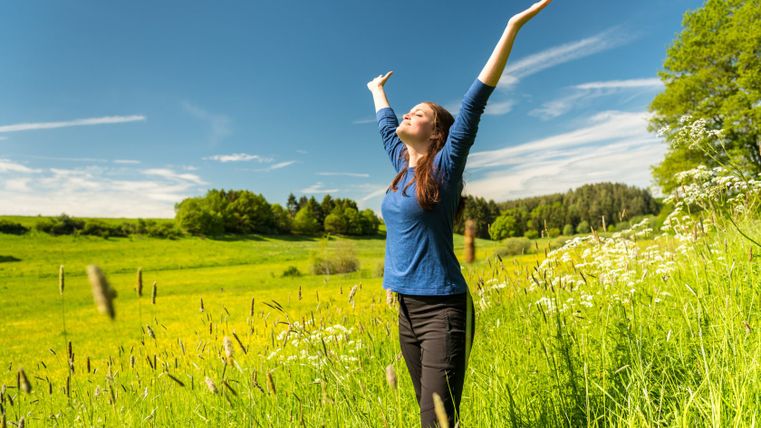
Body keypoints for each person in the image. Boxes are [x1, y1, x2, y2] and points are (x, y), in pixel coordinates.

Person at [366, 1, 553, 426]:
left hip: (443, 311)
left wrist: (512, 27)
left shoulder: (445, 168)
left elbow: (475, 100)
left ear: (435, 133)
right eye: (408, 109)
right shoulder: (401, 166)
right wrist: (378, 91)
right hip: (406, 310)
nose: (408, 114)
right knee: (427, 415)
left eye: (421, 113)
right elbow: (385, 124)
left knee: (438, 422)